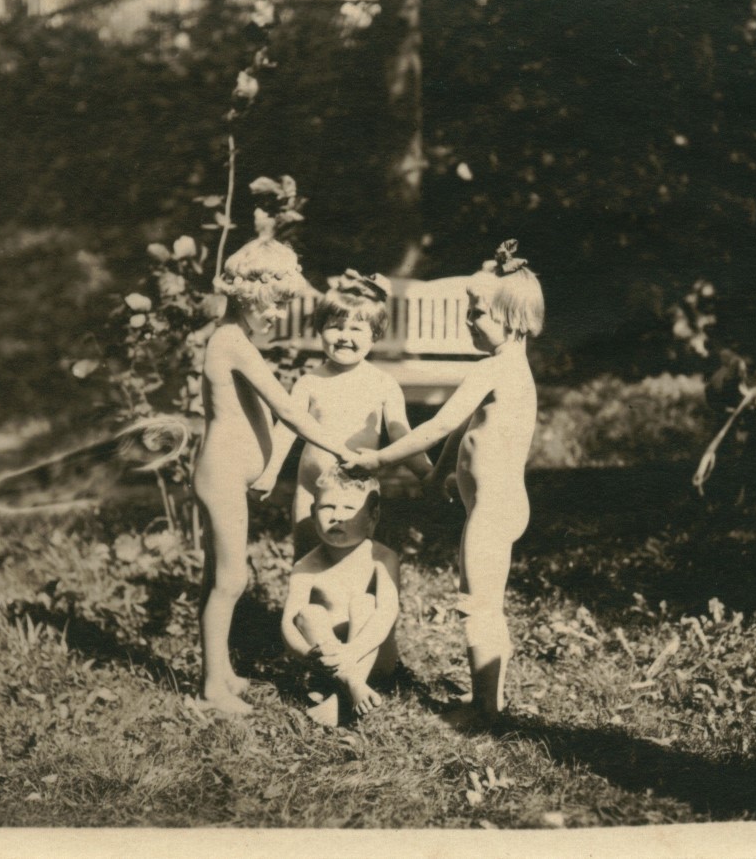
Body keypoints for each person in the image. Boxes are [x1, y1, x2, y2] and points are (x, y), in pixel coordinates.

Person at [346, 239, 544, 726]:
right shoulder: (513, 370)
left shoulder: (494, 368)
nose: (469, 322)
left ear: (509, 316)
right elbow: (463, 430)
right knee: (483, 601)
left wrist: (380, 460)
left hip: (494, 509)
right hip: (496, 506)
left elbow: (437, 424)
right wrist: (438, 474)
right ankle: (488, 701)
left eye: (476, 312)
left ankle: (486, 709)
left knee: (477, 606)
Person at [193, 235, 355, 715]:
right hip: (220, 474)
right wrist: (340, 447)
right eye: (276, 305)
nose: (278, 315)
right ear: (251, 295)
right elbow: (288, 409)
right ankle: (210, 690)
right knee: (230, 579)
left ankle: (219, 670)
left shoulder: (236, 338)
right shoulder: (230, 342)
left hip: (225, 474)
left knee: (217, 577)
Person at [251, 270, 431, 558]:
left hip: (357, 493)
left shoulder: (384, 384)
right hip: (312, 488)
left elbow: (400, 433)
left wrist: (427, 473)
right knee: (307, 554)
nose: (345, 337)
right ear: (320, 329)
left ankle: (349, 602)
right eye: (335, 326)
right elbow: (286, 429)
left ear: (375, 335)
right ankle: (304, 602)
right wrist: (270, 472)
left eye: (356, 330)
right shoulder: (310, 382)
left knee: (354, 559)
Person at [281, 466, 400, 727]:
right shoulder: (306, 565)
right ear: (312, 513)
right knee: (308, 614)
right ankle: (350, 686)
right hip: (326, 661)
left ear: (373, 516)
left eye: (349, 509)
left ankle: (344, 692)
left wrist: (351, 652)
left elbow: (387, 614)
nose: (337, 517)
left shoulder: (381, 558)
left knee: (365, 603)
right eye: (327, 507)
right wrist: (306, 653)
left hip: (374, 654)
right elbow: (289, 621)